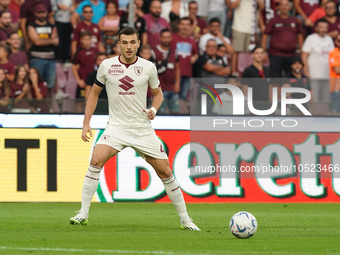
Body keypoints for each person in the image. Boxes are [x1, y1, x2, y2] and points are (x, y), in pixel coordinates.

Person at [69, 27, 200, 231]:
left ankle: (185, 219)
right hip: (116, 126)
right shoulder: (106, 66)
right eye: (124, 42)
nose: (129, 46)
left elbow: (158, 94)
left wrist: (154, 110)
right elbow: (94, 94)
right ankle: (83, 213)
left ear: (138, 43)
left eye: (132, 42)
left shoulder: (148, 67)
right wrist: (86, 123)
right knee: (95, 160)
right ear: (119, 44)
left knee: (165, 171)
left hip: (141, 128)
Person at [261, 0, 304, 78]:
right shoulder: (273, 20)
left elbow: (299, 35)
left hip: (291, 55)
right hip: (275, 54)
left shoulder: (294, 21)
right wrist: (263, 52)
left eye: (286, 5)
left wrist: (301, 51)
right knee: (275, 79)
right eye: (282, 5)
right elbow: (265, 36)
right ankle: (274, 91)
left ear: (290, 7)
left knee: (290, 79)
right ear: (278, 7)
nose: (284, 7)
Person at [28, 4, 61, 96]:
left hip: (51, 59)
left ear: (46, 13)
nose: (41, 15)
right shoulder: (32, 26)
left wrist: (40, 40)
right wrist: (50, 40)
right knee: (35, 83)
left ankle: (48, 108)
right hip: (36, 59)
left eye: (43, 12)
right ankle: (35, 106)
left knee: (50, 85)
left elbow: (56, 42)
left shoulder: (52, 26)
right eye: (39, 12)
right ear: (36, 14)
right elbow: (36, 42)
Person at [301, 18, 333, 102]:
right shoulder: (311, 38)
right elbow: (304, 55)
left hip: (327, 77)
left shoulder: (329, 39)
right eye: (321, 27)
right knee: (313, 101)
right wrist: (306, 72)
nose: (323, 29)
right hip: (313, 76)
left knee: (326, 102)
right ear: (316, 28)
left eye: (325, 27)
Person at [153, 28, 180, 114]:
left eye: (168, 37)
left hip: (172, 87)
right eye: (164, 37)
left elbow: (177, 68)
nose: (166, 39)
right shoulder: (154, 52)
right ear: (160, 38)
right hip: (159, 89)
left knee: (175, 112)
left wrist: (177, 84)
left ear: (171, 38)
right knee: (160, 113)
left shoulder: (174, 52)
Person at [171, 17, 198, 100]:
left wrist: (195, 57)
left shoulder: (192, 40)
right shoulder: (172, 38)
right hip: (173, 74)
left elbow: (196, 53)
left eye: (187, 25)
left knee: (183, 98)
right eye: (182, 24)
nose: (184, 27)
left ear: (190, 27)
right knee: (173, 98)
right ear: (178, 25)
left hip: (187, 74)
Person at [72, 30, 97, 112]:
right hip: (83, 81)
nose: (86, 41)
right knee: (80, 102)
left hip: (93, 82)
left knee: (93, 101)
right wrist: (78, 80)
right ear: (81, 40)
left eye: (88, 39)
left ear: (91, 39)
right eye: (84, 39)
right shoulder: (79, 52)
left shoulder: (95, 51)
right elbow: (74, 66)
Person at [328, 33, 340, 112]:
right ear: (336, 41)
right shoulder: (333, 53)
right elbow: (337, 70)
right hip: (337, 88)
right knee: (337, 112)